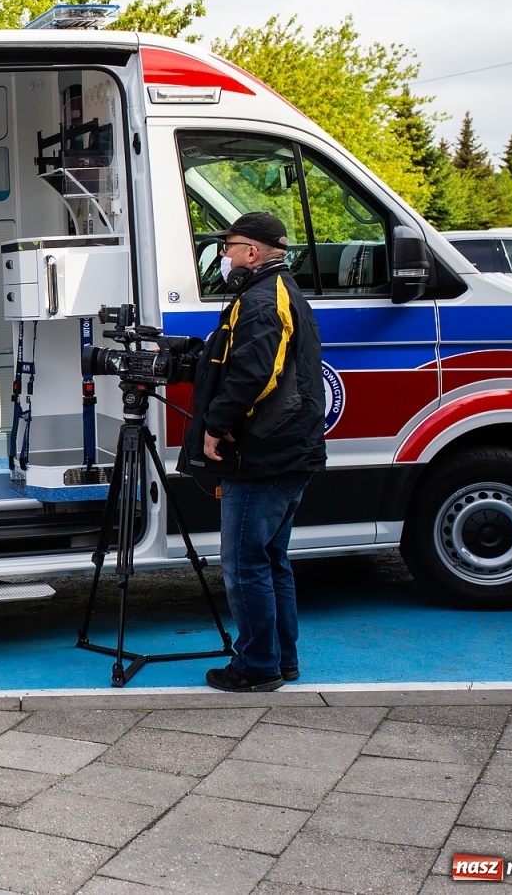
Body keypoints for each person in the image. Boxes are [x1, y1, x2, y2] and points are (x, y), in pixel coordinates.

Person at [178, 211, 327, 693]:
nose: (222, 256)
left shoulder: (263, 301)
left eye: (229, 247)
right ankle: (282, 660)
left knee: (245, 564)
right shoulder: (275, 292)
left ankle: (257, 666)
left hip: (265, 454)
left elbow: (254, 375)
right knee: (270, 559)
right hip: (288, 451)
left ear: (253, 252)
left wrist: (216, 427)